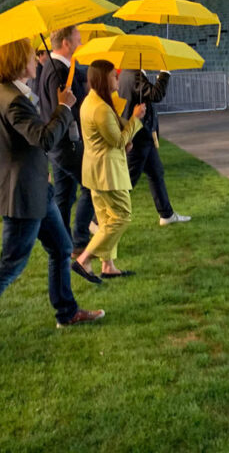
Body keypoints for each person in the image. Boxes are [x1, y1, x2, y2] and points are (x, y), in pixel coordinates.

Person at [0, 38, 104, 357]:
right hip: (22, 195)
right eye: (29, 57)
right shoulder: (11, 99)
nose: (36, 61)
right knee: (11, 264)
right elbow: (43, 138)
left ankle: (66, 311)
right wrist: (65, 108)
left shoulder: (5, 94)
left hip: (34, 189)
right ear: (16, 61)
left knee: (62, 247)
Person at [71, 61, 146, 283]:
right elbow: (117, 141)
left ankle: (108, 265)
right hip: (108, 173)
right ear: (104, 79)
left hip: (96, 171)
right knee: (121, 216)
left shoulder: (92, 102)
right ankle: (84, 259)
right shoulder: (101, 108)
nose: (117, 80)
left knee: (106, 221)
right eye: (114, 76)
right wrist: (135, 119)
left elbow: (114, 135)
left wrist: (127, 129)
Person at [37, 25, 95, 257]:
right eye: (77, 39)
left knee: (64, 195)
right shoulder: (57, 71)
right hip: (66, 143)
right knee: (93, 186)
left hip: (59, 144)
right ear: (66, 43)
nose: (80, 42)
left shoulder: (58, 68)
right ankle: (80, 240)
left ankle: (63, 242)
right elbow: (59, 109)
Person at [118, 69, 191, 226]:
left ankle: (167, 214)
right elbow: (156, 95)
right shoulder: (134, 74)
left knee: (156, 173)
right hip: (139, 135)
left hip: (142, 135)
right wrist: (164, 74)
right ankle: (97, 220)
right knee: (129, 179)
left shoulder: (126, 74)